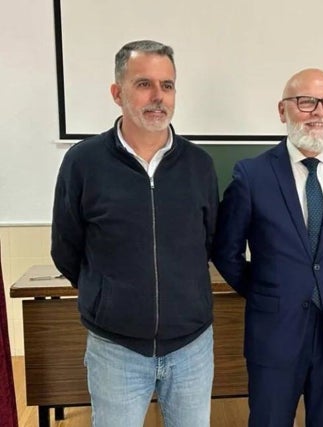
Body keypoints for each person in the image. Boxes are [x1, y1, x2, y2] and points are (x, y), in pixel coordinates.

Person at [51, 40, 218, 427]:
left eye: (168, 85)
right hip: (116, 348)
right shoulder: (83, 162)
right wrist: (109, 297)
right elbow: (67, 247)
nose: (158, 97)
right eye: (144, 84)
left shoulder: (199, 165)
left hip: (191, 346)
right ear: (117, 93)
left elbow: (207, 241)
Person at [212, 68, 323, 427]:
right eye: (306, 102)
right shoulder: (251, 175)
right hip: (275, 330)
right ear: (282, 110)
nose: (320, 112)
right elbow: (226, 250)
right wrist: (265, 290)